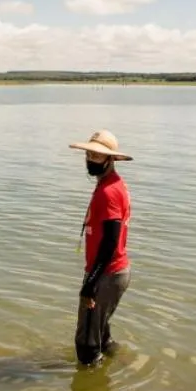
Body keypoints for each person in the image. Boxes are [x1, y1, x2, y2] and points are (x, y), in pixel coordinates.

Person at [68, 129, 133, 366]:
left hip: (107, 273)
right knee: (101, 334)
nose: (90, 160)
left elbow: (110, 242)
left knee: (86, 343)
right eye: (88, 155)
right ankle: (123, 365)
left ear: (111, 159)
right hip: (113, 272)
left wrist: (90, 284)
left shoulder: (109, 192)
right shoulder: (112, 184)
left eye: (96, 156)